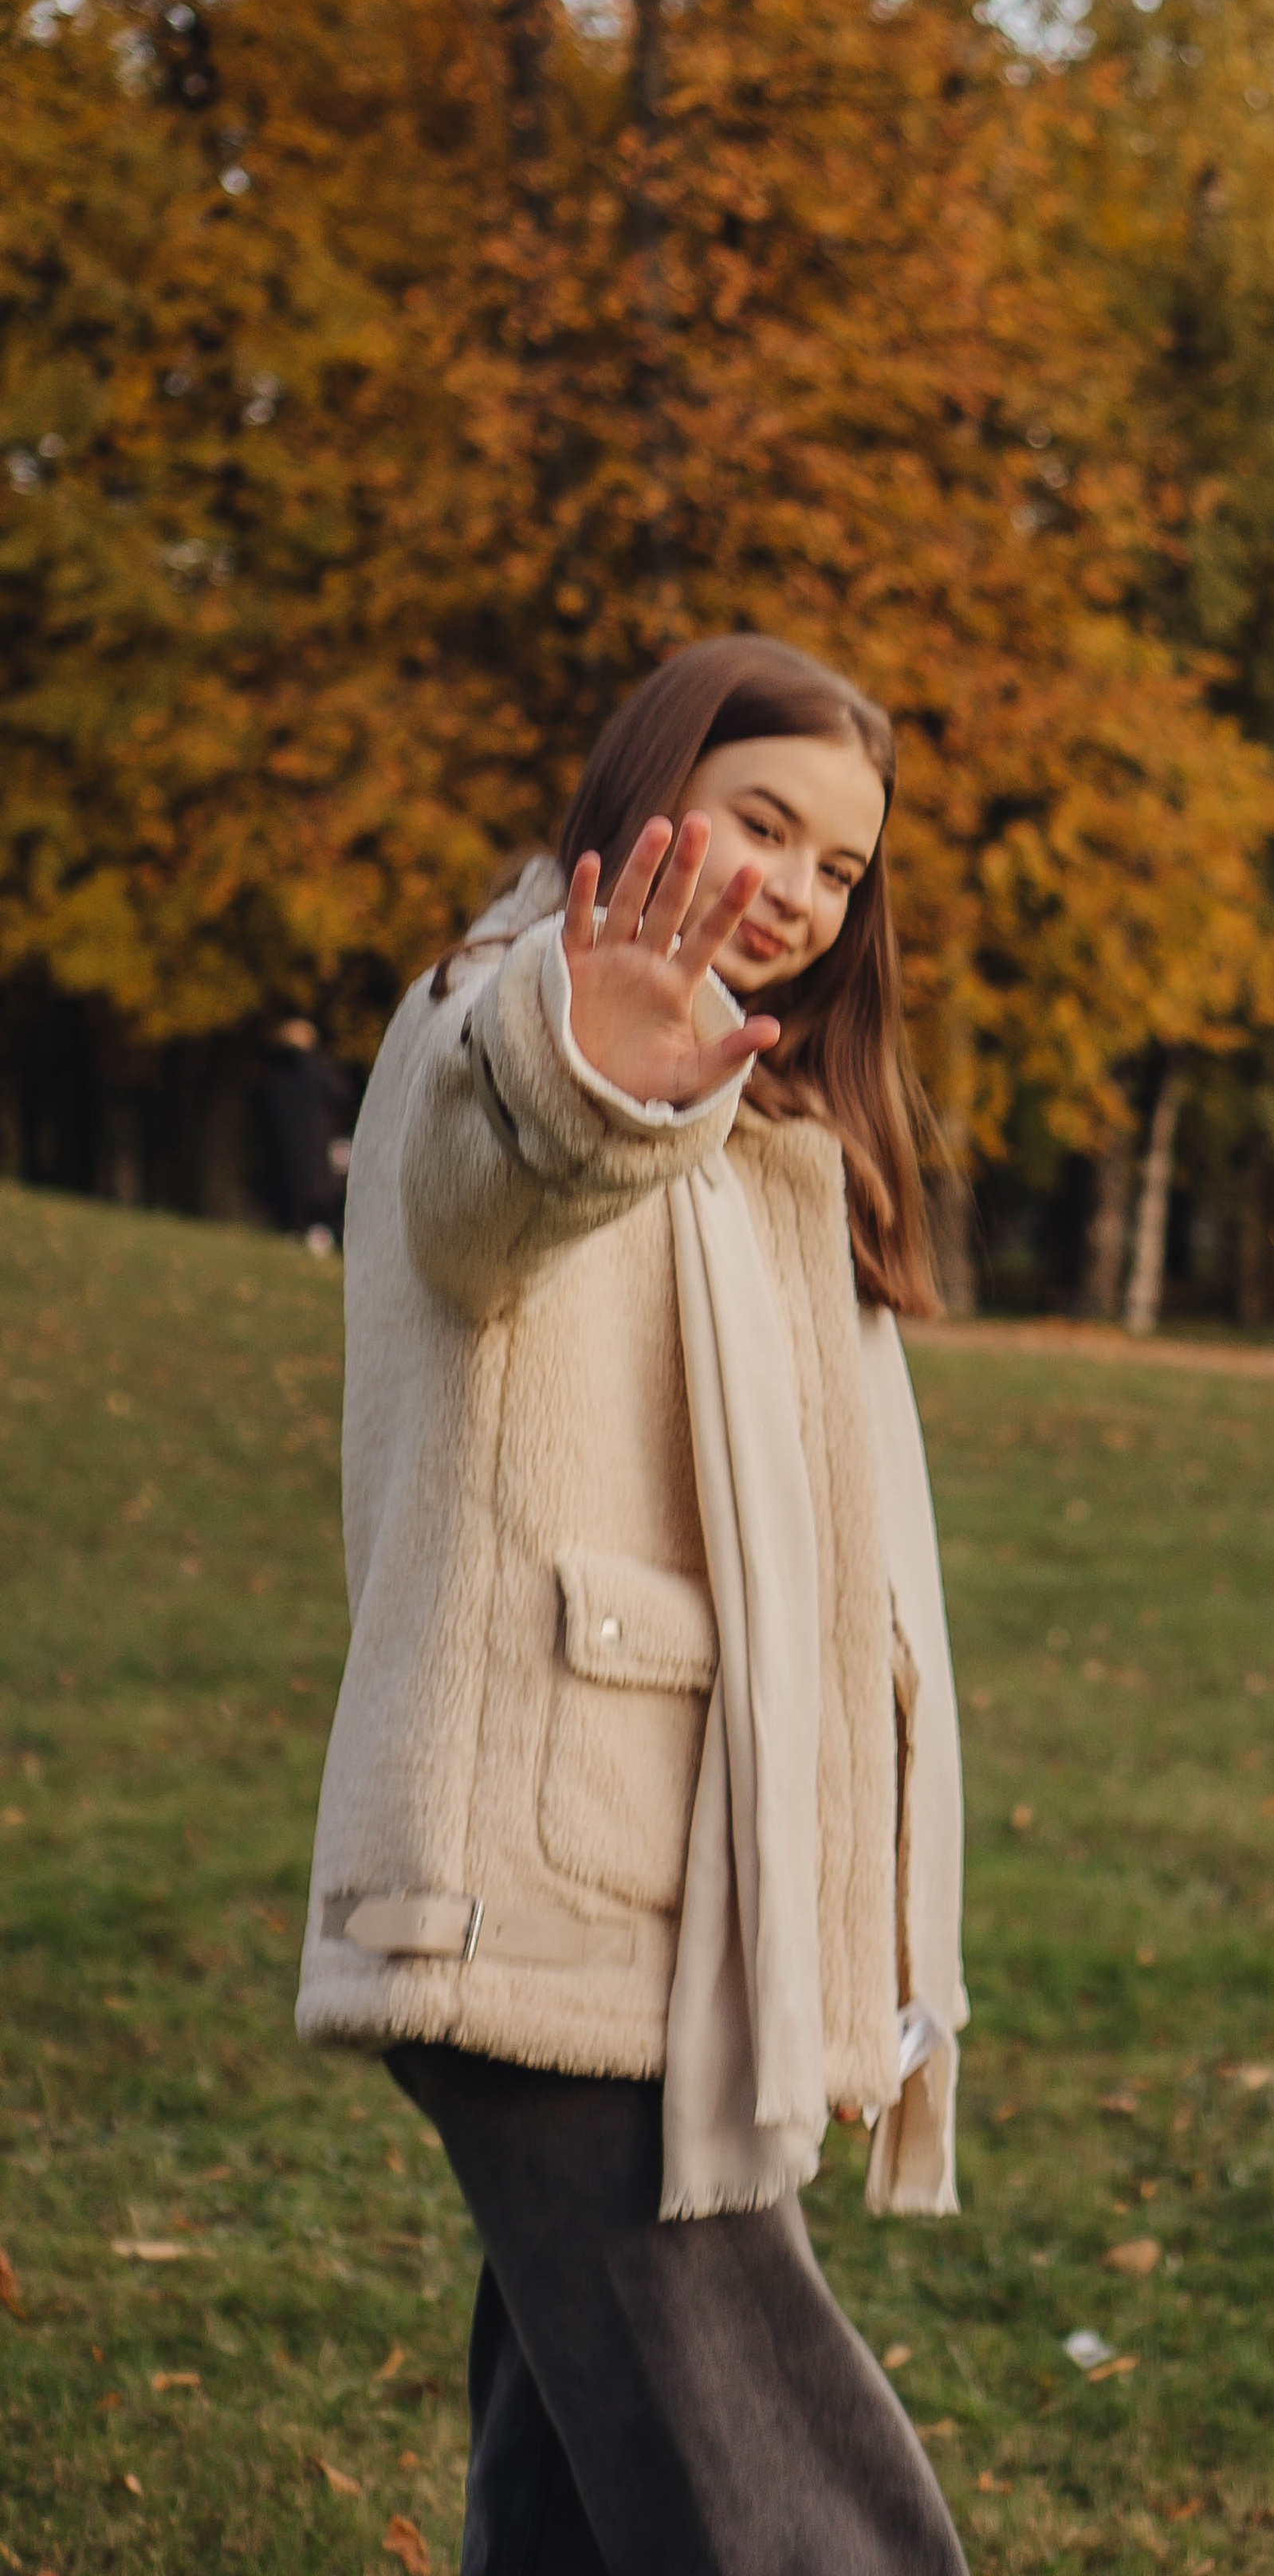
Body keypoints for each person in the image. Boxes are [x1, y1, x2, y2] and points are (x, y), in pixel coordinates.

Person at [296, 639, 969, 2574]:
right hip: (548, 1884)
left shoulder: (769, 1125)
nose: (798, 888)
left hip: (686, 1903)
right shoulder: (499, 1019)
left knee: (585, 2481)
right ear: (652, 783)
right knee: (790, 2506)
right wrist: (587, 1068)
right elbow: (476, 1196)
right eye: (762, 820)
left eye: (841, 866)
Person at [258, 1017, 356, 1246]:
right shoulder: (319, 1071)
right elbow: (343, 1095)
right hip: (319, 1152)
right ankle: (323, 1235)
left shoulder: (271, 1075)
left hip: (282, 1157)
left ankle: (298, 1232)